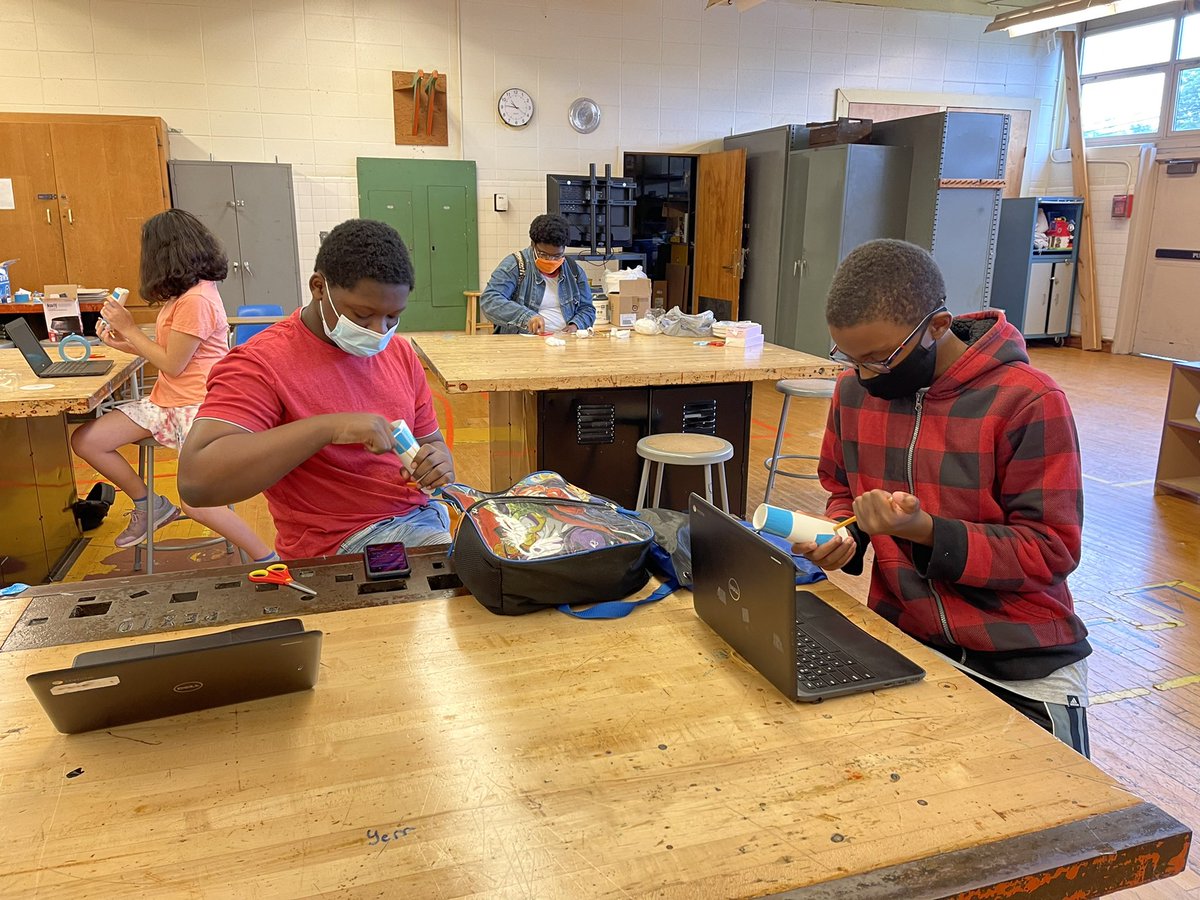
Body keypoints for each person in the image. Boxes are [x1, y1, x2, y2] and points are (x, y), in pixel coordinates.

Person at [800, 239, 1091, 755]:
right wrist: (846, 531)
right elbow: (842, 488)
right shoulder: (852, 393)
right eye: (850, 357)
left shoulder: (1028, 402)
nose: (864, 375)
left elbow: (1052, 550)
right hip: (907, 645)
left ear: (937, 326)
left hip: (1019, 664)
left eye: (880, 358)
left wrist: (929, 534)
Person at [178, 219, 455, 559]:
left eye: (392, 317)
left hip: (423, 518)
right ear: (319, 287)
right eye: (362, 315)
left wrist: (439, 461)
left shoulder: (399, 353)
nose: (377, 330)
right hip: (341, 543)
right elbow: (196, 481)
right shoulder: (261, 363)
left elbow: (431, 442)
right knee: (475, 574)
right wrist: (329, 428)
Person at [71, 210, 274, 562]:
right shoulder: (183, 295)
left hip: (198, 406)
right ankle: (150, 505)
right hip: (168, 400)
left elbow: (172, 363)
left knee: (197, 504)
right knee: (88, 439)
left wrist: (131, 328)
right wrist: (124, 342)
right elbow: (171, 353)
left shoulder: (195, 300)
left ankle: (267, 559)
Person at [480, 213, 596, 334]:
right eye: (543, 254)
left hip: (564, 342)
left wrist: (576, 325)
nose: (550, 260)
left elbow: (587, 308)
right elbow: (490, 300)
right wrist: (527, 317)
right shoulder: (516, 265)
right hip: (525, 342)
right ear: (533, 245)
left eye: (557, 256)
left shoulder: (574, 271)